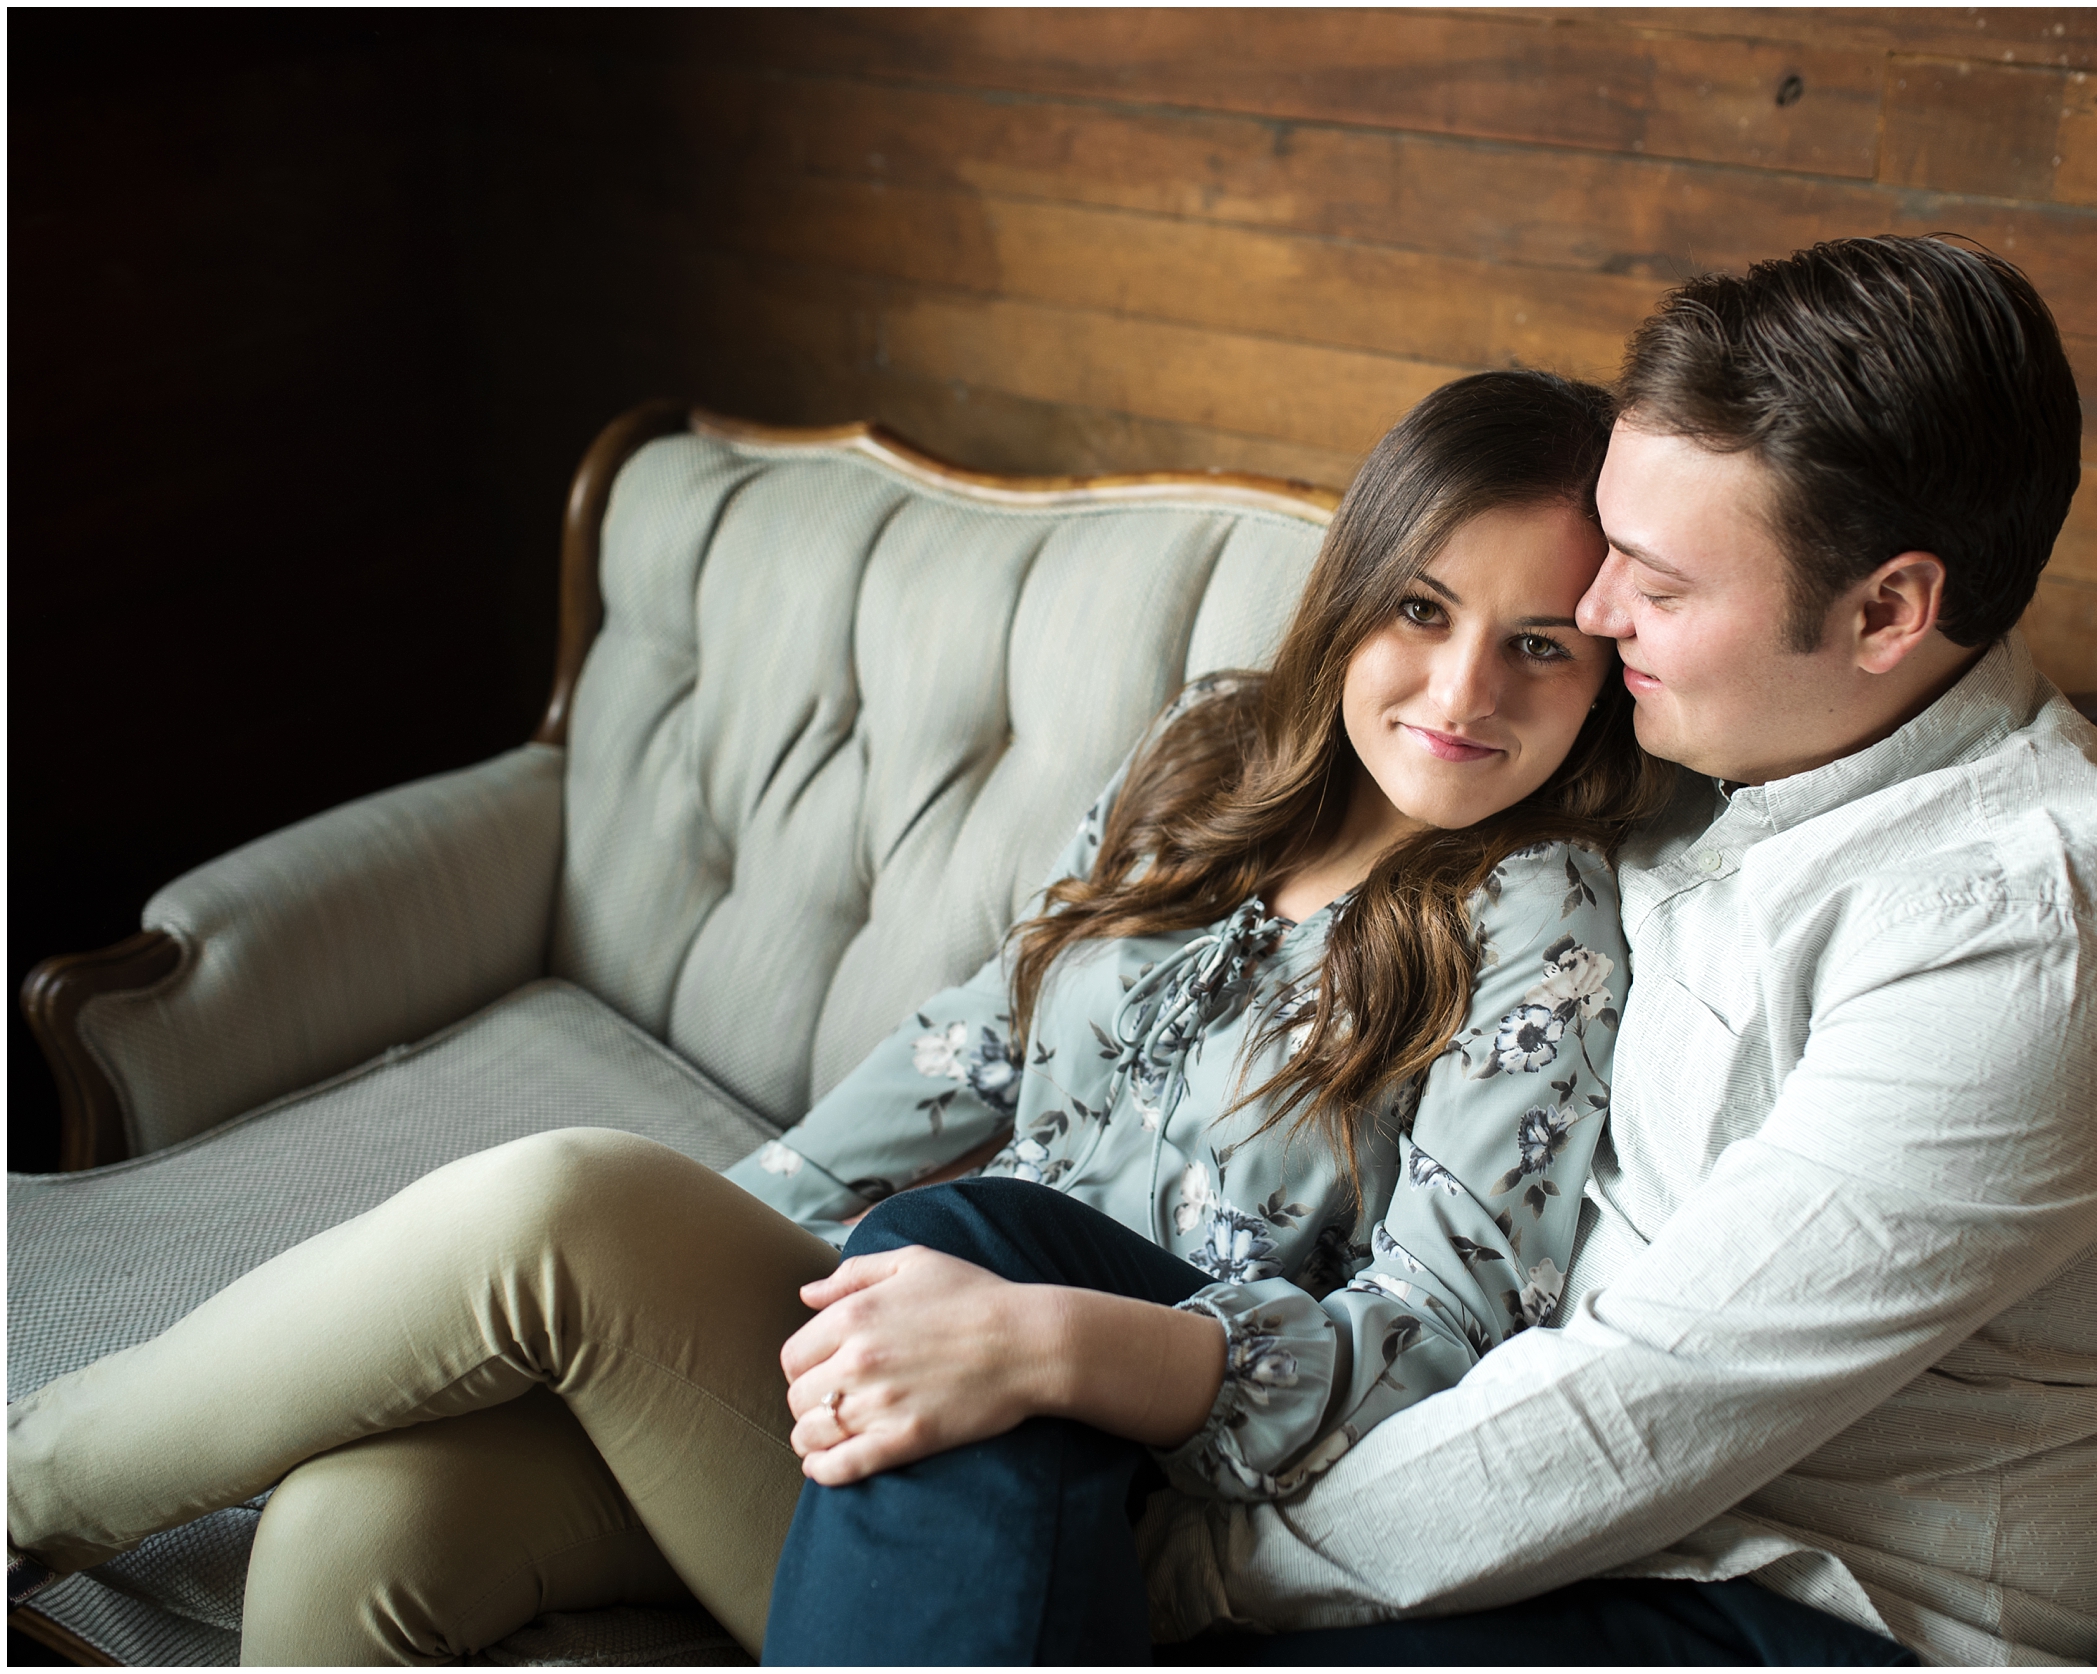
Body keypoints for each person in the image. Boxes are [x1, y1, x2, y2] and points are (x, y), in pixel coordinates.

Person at [7, 368, 1680, 1662]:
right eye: (1423, 609)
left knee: (565, 1206)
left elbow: (1446, 1343)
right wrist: (690, 1287)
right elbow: (977, 1040)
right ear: (1355, 590)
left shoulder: (1541, 922)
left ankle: (22, 1489)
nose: (1466, 694)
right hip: (872, 1347)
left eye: (1539, 646)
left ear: (1604, 670)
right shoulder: (1214, 749)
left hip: (1068, 1493)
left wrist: (1114, 1354)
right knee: (353, 1527)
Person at [760, 235, 2097, 1667]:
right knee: (956, 1254)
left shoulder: (2020, 953)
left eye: (1652, 587)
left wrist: (1178, 1574)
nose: (1592, 617)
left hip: (1772, 1606)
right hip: (1535, 1518)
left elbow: (1637, 1415)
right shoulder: (1735, 751)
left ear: (1889, 613)